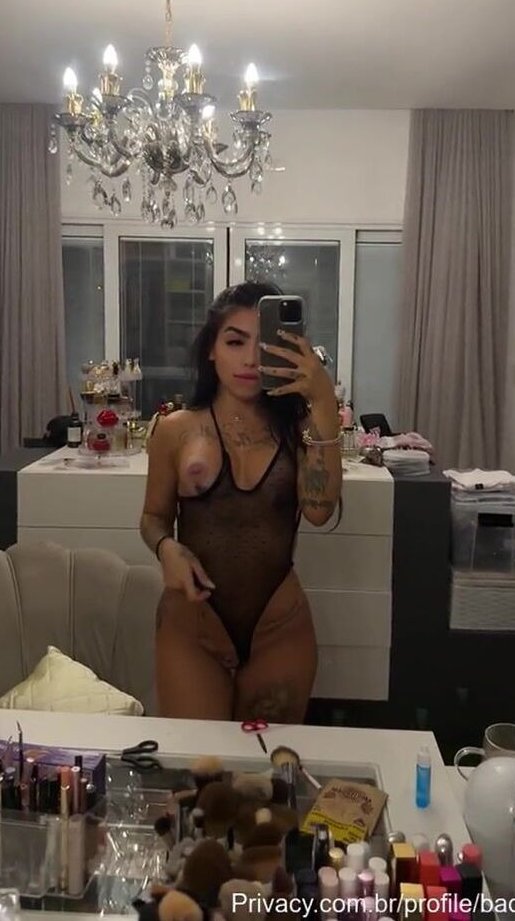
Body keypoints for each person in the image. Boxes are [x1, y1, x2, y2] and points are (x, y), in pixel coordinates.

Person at [139, 282, 344, 721]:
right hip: (192, 626)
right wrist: (166, 547)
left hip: (279, 628)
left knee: (269, 761)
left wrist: (323, 400)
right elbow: (153, 517)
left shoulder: (300, 430)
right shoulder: (175, 429)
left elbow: (319, 510)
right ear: (211, 350)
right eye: (235, 342)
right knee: (200, 762)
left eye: (263, 345)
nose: (251, 359)